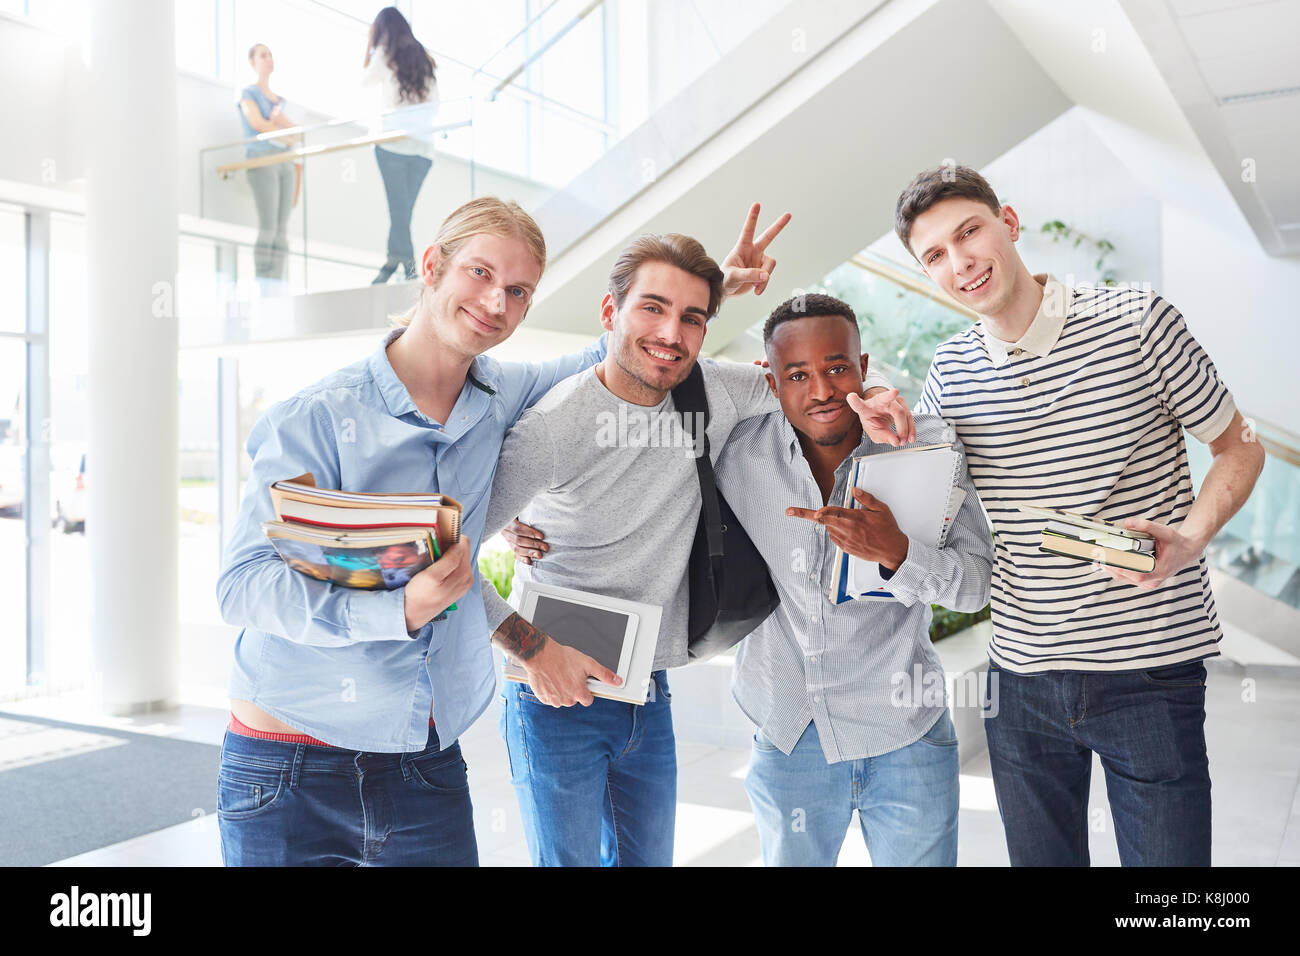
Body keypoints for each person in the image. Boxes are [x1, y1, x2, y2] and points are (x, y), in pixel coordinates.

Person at [482, 211, 917, 866]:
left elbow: (821, 372)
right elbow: (442, 554)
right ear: (610, 309)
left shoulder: (711, 388)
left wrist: (877, 389)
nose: (671, 333)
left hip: (646, 687)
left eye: (692, 317)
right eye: (653, 309)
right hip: (553, 697)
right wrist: (534, 649)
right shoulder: (557, 422)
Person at [213, 196, 609, 867]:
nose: (494, 303)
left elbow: (612, 352)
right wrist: (394, 609)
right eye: (479, 274)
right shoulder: (314, 418)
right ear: (432, 266)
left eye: (517, 291)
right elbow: (242, 587)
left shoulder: (502, 396)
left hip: (423, 764)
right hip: (288, 767)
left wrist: (712, 287)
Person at [894, 164, 1265, 866]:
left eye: (968, 232)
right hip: (1020, 679)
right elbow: (933, 517)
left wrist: (1190, 537)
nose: (960, 262)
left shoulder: (1138, 320)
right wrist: (895, 440)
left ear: (1009, 222)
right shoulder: (950, 372)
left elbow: (1239, 448)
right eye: (934, 255)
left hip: (1149, 671)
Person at [711, 293, 992, 866]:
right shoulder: (735, 452)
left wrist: (899, 553)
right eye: (798, 374)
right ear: (770, 380)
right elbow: (651, 383)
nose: (821, 391)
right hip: (789, 735)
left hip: (907, 734)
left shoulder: (926, 445)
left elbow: (976, 586)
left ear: (866, 369)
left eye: (838, 368)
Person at [363, 7, 439, 284]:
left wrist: (371, 47)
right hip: (422, 151)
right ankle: (393, 265)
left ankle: (405, 272)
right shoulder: (424, 58)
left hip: (392, 146)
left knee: (399, 214)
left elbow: (366, 80)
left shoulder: (385, 54)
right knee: (402, 214)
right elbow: (435, 106)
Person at [237, 44, 302, 293]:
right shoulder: (248, 93)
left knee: (282, 229)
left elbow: (296, 136)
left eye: (270, 54)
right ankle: (263, 283)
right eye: (263, 55)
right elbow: (256, 123)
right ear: (252, 62)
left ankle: (277, 284)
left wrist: (280, 127)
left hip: (284, 162)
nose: (269, 59)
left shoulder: (281, 101)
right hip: (262, 160)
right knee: (268, 226)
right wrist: (281, 129)